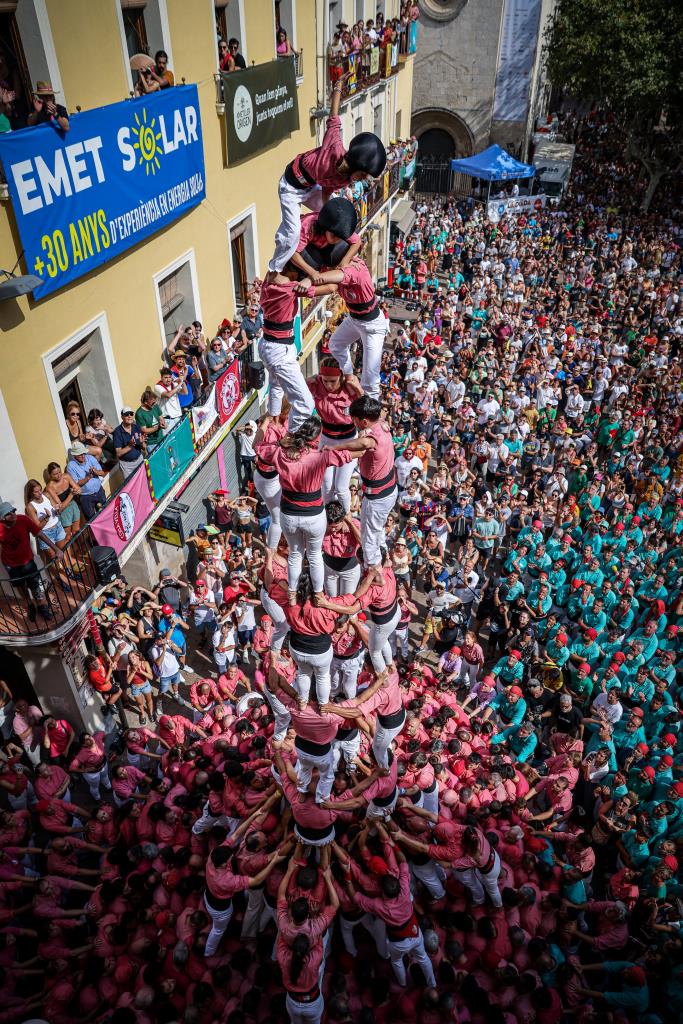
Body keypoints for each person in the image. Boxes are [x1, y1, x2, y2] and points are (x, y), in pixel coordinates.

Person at [268, 76, 386, 273]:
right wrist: (338, 88)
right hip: (290, 186)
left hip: (311, 187)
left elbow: (326, 191)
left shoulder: (345, 178)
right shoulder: (334, 146)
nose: (362, 180)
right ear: (355, 163)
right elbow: (334, 117)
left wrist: (329, 214)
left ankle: (331, 243)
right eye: (363, 174)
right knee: (292, 232)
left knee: (336, 217)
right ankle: (274, 270)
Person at [0, 500, 63, 621]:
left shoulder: (23, 520)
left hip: (28, 562)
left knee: (35, 586)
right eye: (8, 513)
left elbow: (40, 534)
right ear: (2, 518)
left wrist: (56, 549)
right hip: (11, 565)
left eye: (13, 511)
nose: (13, 514)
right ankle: (30, 605)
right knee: (20, 586)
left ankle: (42, 607)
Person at [66, 442, 106, 520]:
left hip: (99, 491)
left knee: (105, 512)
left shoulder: (90, 458)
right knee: (92, 519)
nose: (83, 456)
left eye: (83, 453)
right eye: (80, 454)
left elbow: (102, 473)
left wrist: (96, 472)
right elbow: (76, 483)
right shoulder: (71, 466)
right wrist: (88, 477)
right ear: (74, 455)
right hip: (86, 497)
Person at [112, 407, 146, 479]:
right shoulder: (117, 432)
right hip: (127, 466)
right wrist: (129, 446)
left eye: (131, 414)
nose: (129, 416)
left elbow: (144, 447)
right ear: (122, 417)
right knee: (131, 486)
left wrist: (142, 443)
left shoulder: (136, 427)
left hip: (139, 460)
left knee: (144, 480)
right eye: (127, 414)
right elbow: (118, 453)